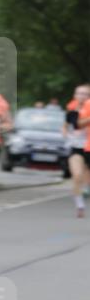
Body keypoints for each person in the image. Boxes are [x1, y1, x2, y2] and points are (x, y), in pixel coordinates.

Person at [64, 84, 90, 217]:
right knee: (77, 175)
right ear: (75, 95)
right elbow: (75, 125)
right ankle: (79, 205)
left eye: (85, 94)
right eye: (79, 93)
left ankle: (87, 189)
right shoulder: (72, 109)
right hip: (76, 147)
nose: (82, 96)